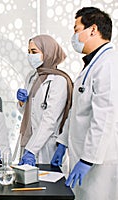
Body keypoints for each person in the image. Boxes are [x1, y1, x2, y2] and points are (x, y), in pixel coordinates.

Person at [50, 7, 118, 200]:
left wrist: (87, 160)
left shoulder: (109, 64)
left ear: (93, 29)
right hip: (83, 154)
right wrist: (63, 143)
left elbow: (105, 116)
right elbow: (77, 111)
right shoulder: (93, 64)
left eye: (76, 28)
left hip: (100, 162)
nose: (74, 35)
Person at [16, 34, 73, 166]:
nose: (30, 55)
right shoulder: (32, 76)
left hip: (47, 145)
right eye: (29, 52)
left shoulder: (59, 80)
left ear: (48, 53)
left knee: (47, 184)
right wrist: (21, 102)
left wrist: (31, 150)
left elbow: (50, 120)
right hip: (28, 138)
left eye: (34, 52)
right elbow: (27, 112)